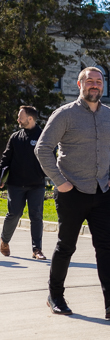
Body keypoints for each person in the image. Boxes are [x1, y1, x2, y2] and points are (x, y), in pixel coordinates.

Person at [35, 67, 110, 318]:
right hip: (72, 192)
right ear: (79, 84)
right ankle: (55, 295)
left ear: (104, 86)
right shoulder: (65, 115)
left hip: (103, 192)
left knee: (106, 247)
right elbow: (42, 148)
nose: (94, 85)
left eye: (98, 81)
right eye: (89, 81)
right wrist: (60, 183)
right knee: (66, 246)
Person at [0, 106, 47, 260]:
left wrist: (44, 174)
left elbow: (50, 158)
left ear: (30, 118)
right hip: (15, 184)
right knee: (14, 214)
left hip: (37, 185)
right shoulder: (15, 137)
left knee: (36, 216)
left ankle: (37, 250)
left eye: (21, 117)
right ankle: (4, 241)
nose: (18, 119)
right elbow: (5, 159)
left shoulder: (43, 136)